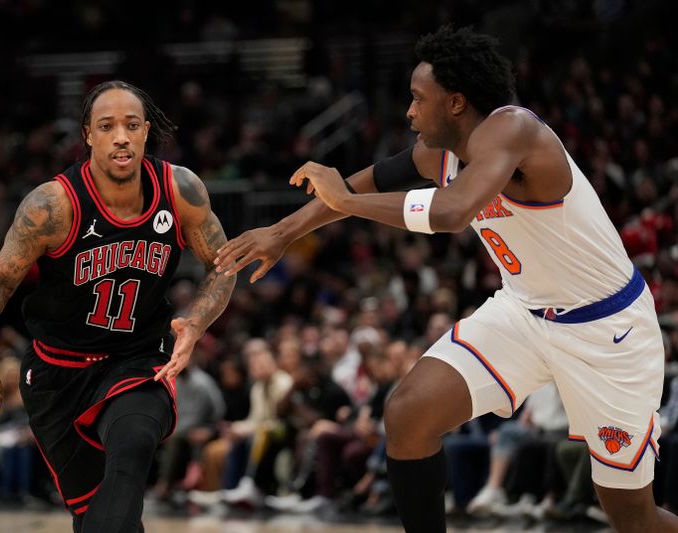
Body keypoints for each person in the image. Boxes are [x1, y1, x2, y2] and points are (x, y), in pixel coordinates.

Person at [215, 26, 677, 533]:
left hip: (607, 331)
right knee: (409, 414)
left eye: (418, 100)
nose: (409, 112)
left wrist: (347, 204)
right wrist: (282, 232)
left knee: (634, 520)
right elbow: (356, 184)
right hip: (524, 313)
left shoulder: (514, 129)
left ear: (456, 103)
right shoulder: (438, 155)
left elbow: (453, 211)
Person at [0, 80, 236, 533]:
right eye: (107, 126)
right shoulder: (51, 206)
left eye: (131, 125)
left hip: (137, 357)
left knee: (134, 445)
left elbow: (223, 265)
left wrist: (196, 323)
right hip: (57, 371)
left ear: (144, 133)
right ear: (87, 135)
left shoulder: (180, 191)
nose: (120, 135)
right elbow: (1, 279)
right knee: (97, 515)